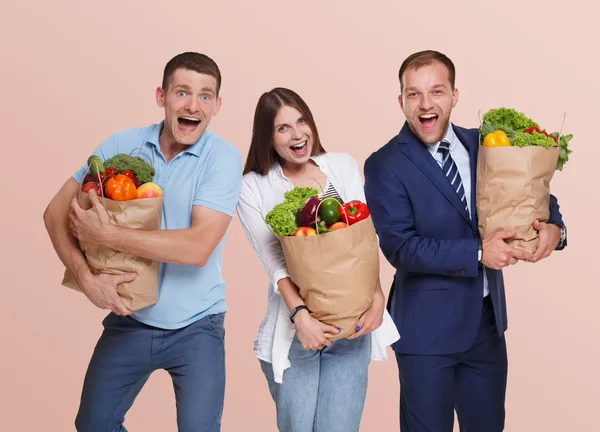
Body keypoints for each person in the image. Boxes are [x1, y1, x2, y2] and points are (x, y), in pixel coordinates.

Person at [363, 50, 567, 432]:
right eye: (413, 94)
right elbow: (401, 247)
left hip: (486, 327)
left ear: (455, 95)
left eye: (436, 92)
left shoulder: (486, 145)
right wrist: (477, 252)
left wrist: (555, 229)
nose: (426, 104)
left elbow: (532, 193)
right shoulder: (384, 164)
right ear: (401, 101)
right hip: (426, 335)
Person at [43, 52, 242, 432]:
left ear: (217, 106)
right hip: (130, 320)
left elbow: (198, 247)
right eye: (182, 92)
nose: (192, 105)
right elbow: (54, 213)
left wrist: (110, 236)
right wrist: (86, 278)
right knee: (94, 425)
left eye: (205, 96)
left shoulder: (222, 158)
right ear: (161, 96)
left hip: (197, 326)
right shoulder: (122, 144)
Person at [236, 87, 400, 431]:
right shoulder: (253, 186)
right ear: (267, 137)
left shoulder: (341, 165)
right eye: (283, 128)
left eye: (302, 121)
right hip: (298, 331)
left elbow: (364, 242)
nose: (298, 134)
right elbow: (275, 262)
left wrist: (377, 298)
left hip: (352, 329)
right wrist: (301, 317)